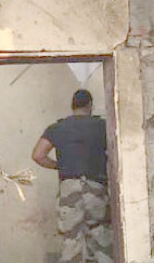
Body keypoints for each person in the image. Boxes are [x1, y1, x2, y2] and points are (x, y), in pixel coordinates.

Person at [32, 89, 113, 263]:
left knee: (71, 241)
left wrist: (58, 167)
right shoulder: (103, 126)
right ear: (90, 106)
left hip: (69, 188)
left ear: (72, 106)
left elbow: (38, 155)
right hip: (96, 187)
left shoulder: (57, 128)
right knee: (101, 240)